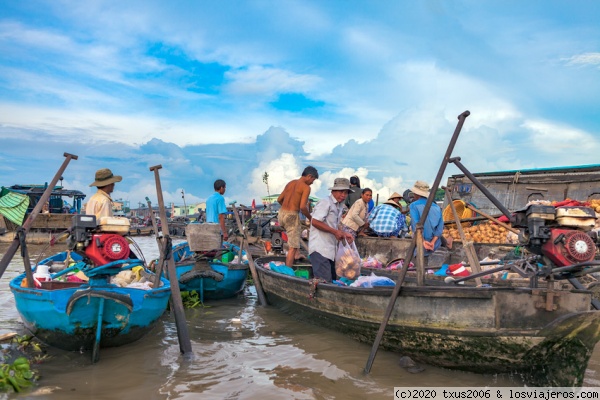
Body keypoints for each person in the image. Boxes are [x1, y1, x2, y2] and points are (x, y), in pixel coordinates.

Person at [309, 178, 355, 282]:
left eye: (345, 192)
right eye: (340, 192)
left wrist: (343, 234)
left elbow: (334, 226)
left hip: (330, 250)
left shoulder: (339, 205)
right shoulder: (326, 202)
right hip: (320, 249)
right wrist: (335, 232)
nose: (343, 195)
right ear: (333, 191)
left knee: (332, 280)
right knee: (325, 282)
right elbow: (315, 221)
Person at [277, 166, 319, 268]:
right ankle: (287, 272)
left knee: (296, 233)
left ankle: (297, 254)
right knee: (292, 246)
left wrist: (286, 207)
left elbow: (279, 199)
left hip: (281, 213)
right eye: (313, 180)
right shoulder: (306, 187)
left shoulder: (291, 183)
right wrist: (310, 218)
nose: (312, 182)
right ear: (309, 176)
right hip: (292, 215)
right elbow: (303, 207)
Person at [409, 180, 444, 255]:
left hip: (421, 244)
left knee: (419, 265)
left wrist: (423, 242)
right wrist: (432, 242)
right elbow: (440, 229)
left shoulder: (413, 205)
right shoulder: (437, 207)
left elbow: (416, 226)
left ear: (416, 194)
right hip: (435, 246)